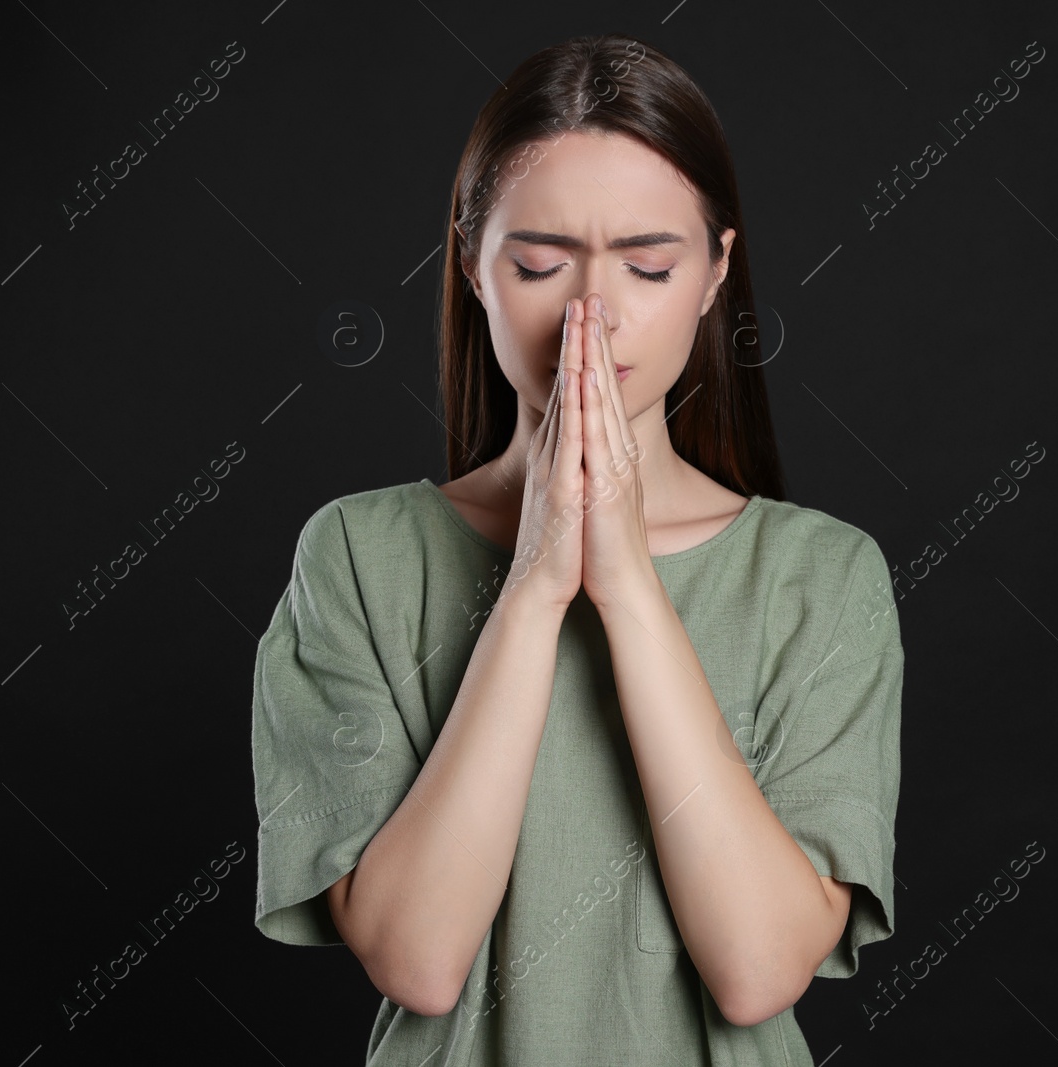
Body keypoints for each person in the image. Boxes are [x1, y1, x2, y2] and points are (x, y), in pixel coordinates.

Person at [251, 32, 904, 1065]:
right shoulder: (355, 556)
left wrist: (630, 589)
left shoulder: (822, 578)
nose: (589, 319)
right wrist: (535, 582)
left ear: (713, 274)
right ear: (470, 261)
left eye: (649, 265)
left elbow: (757, 969)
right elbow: (417, 960)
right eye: (539, 264)